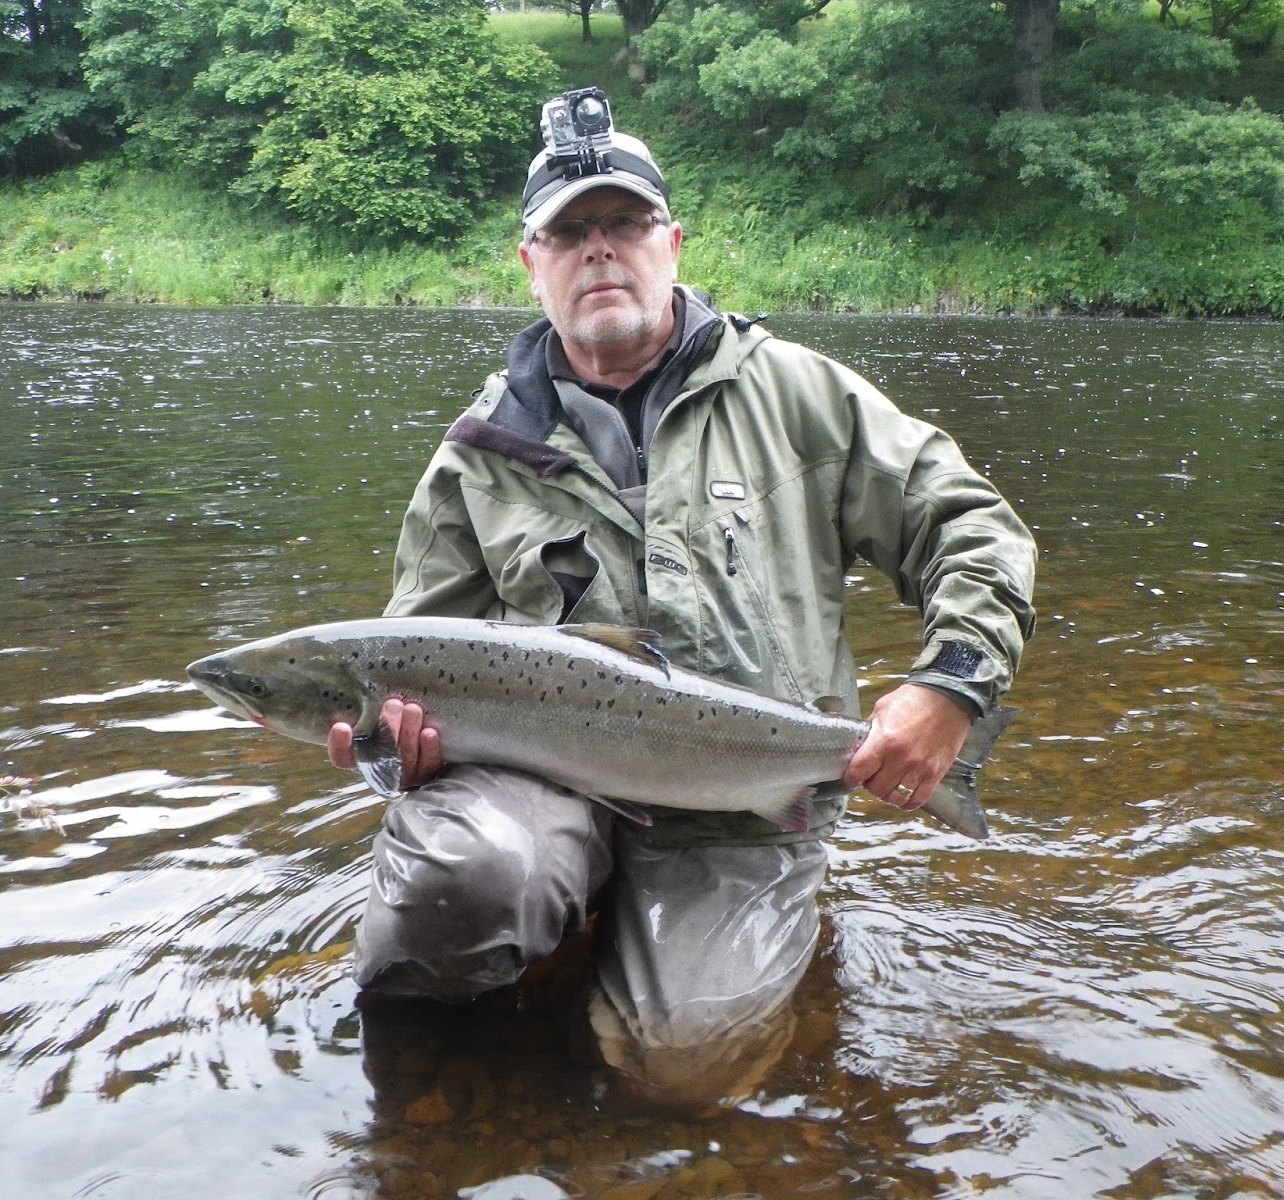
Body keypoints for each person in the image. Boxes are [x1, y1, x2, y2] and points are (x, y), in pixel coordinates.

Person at [328, 91, 1036, 1111]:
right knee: (452, 893)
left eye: (622, 223)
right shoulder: (476, 452)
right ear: (530, 264)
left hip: (739, 808)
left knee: (681, 1075)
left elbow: (971, 527)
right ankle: (458, 1050)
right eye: (567, 232)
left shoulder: (799, 395)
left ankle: (653, 945)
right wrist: (395, 745)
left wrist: (952, 687)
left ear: (672, 243)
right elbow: (410, 655)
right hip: (544, 788)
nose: (598, 251)